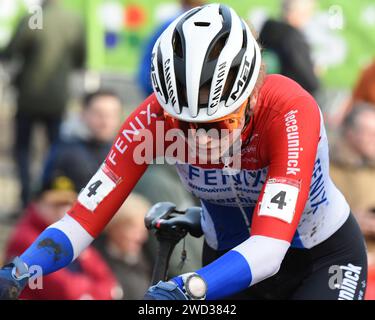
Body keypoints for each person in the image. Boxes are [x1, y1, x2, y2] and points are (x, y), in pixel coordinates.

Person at [0, 4, 367, 300]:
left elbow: (270, 248)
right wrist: (20, 269)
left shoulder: (289, 111)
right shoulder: (153, 118)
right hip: (227, 259)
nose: (201, 138)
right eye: (185, 124)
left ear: (252, 95)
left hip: (321, 258)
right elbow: (81, 221)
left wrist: (188, 288)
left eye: (218, 123)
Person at [0, 0, 86, 208]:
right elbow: (80, 59)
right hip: (57, 99)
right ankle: (52, 199)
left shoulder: (33, 18)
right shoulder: (74, 20)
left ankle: (26, 199)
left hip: (28, 97)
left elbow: (11, 51)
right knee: (56, 150)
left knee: (23, 149)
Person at [5, 175, 120, 300]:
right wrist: (95, 292)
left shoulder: (71, 231)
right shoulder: (26, 238)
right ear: (37, 204)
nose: (63, 211)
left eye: (68, 204)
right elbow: (65, 291)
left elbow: (109, 282)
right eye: (56, 205)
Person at [43, 90, 123, 191]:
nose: (105, 122)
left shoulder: (125, 154)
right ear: (83, 114)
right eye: (99, 114)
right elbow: (45, 195)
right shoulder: (65, 151)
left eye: (112, 115)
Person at [95, 193, 152, 300]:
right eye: (134, 229)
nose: (141, 238)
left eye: (143, 230)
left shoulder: (146, 259)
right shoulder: (95, 260)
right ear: (114, 226)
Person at [259, 0, 320, 96]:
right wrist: (315, 72)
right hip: (282, 97)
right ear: (300, 13)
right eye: (309, 12)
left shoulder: (267, 27)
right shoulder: (293, 38)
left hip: (261, 90)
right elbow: (311, 83)